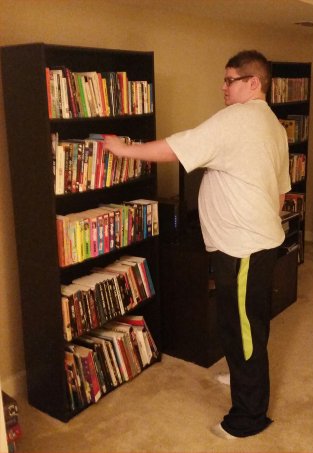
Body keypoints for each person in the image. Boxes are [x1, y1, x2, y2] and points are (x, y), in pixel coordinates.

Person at [103, 50, 291, 439]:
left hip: (243, 248)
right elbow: (281, 191)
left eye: (230, 80)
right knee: (248, 324)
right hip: (257, 243)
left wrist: (123, 150)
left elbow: (175, 148)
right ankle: (242, 377)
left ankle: (248, 418)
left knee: (242, 329)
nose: (223, 88)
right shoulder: (272, 123)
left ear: (254, 83)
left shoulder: (238, 119)